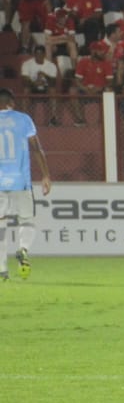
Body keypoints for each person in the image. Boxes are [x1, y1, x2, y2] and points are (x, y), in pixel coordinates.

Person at [0, 89, 51, 281]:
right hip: (20, 180)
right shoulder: (23, 119)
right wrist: (46, 175)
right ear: (11, 102)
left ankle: (2, 269)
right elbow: (36, 148)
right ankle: (23, 249)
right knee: (27, 219)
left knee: (0, 225)